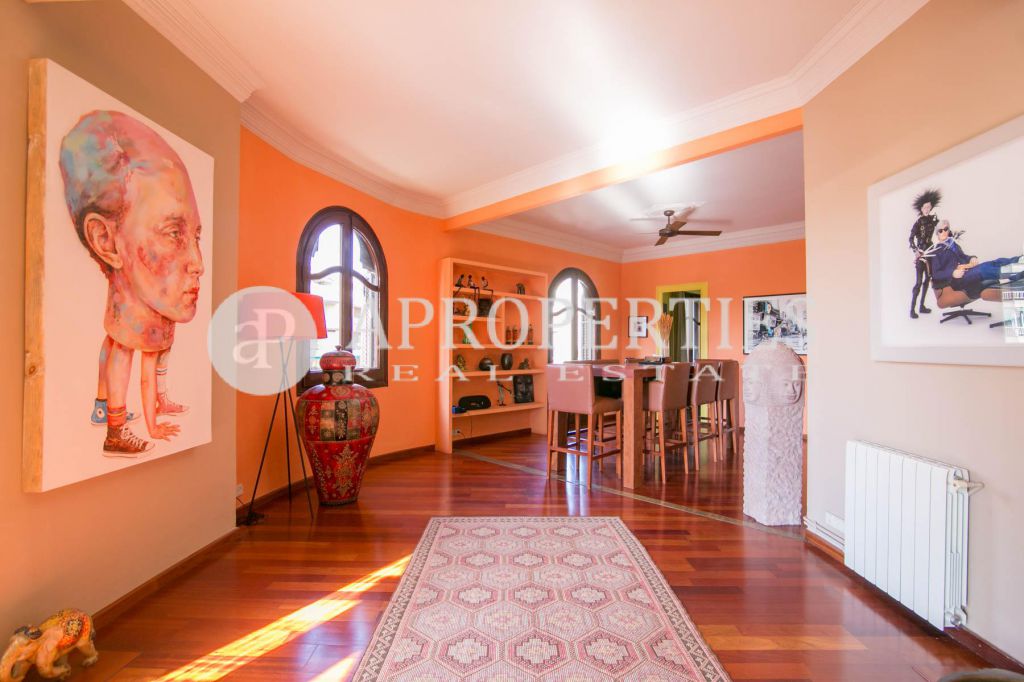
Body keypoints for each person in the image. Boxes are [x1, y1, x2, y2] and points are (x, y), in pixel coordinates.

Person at [60, 111, 203, 456]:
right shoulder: (136, 315)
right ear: (105, 240)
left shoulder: (148, 308)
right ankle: (115, 429)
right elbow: (144, 372)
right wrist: (152, 427)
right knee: (120, 348)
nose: (199, 264)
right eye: (173, 233)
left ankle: (107, 409)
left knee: (116, 346)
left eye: (196, 236)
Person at [928, 222, 1023, 301]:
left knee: (992, 263)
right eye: (940, 231)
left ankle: (1019, 259)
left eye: (946, 229)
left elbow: (964, 256)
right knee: (984, 270)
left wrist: (972, 258)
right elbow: (936, 274)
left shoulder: (952, 244)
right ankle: (1015, 273)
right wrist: (952, 273)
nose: (944, 232)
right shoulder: (935, 251)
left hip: (966, 271)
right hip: (955, 282)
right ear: (937, 234)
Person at [909, 189, 941, 319]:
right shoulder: (918, 222)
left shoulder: (934, 220)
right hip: (922, 253)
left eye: (929, 207)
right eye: (925, 207)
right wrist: (916, 250)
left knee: (927, 280)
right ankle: (912, 309)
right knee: (918, 282)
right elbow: (911, 239)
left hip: (930, 252)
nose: (927, 209)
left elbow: (940, 230)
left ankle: (922, 306)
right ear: (921, 208)